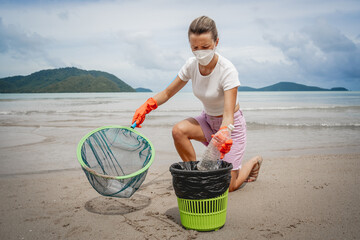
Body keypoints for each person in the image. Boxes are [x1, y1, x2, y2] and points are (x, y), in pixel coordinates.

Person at [132, 16, 263, 192]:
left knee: (228, 187)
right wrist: (147, 106)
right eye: (195, 47)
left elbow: (229, 114)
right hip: (207, 121)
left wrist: (224, 132)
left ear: (216, 42)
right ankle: (193, 176)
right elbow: (167, 92)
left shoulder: (227, 70)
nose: (200, 52)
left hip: (230, 127)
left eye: (205, 47)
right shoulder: (191, 65)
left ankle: (254, 161)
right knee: (178, 131)